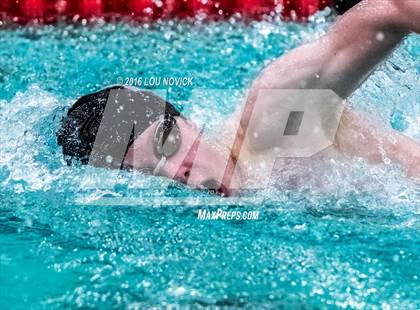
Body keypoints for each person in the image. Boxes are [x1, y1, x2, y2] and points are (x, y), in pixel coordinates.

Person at [57, 0, 419, 196]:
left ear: (186, 121)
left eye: (168, 144)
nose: (177, 174)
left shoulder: (273, 119)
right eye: (149, 175)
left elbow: (391, 9)